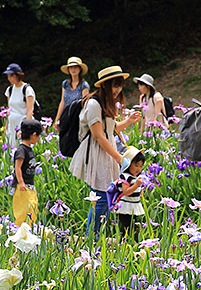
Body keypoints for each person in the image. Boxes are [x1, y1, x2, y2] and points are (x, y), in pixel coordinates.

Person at [68, 65, 142, 236]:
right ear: (105, 85)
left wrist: (128, 122)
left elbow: (110, 128)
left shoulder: (105, 103)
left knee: (105, 198)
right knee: (101, 198)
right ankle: (92, 238)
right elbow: (98, 136)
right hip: (96, 155)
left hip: (106, 155)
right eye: (115, 86)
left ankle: (94, 237)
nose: (118, 90)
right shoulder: (93, 103)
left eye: (120, 85)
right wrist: (119, 158)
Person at [13, 119, 42, 227]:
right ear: (34, 135)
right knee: (24, 210)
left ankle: (31, 229)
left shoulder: (29, 149)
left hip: (30, 186)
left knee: (33, 209)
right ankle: (22, 230)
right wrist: (21, 182)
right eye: (38, 136)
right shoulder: (21, 150)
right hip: (23, 187)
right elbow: (18, 167)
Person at [3, 63, 36, 151]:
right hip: (12, 125)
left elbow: (30, 111)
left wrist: (25, 128)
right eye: (8, 76)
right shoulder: (9, 90)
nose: (10, 79)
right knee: (10, 149)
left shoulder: (27, 89)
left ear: (18, 75)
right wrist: (6, 127)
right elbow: (9, 110)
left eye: (12, 76)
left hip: (22, 124)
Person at [115, 146, 146, 238]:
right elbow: (126, 192)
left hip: (133, 206)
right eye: (136, 165)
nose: (138, 169)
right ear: (128, 164)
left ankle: (129, 241)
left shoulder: (134, 177)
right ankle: (124, 243)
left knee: (132, 226)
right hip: (126, 207)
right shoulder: (125, 176)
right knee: (127, 227)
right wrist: (136, 185)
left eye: (141, 166)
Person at [53, 57, 90, 130]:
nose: (73, 69)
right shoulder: (65, 84)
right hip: (66, 116)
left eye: (76, 67)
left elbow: (85, 104)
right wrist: (57, 119)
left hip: (77, 117)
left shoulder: (84, 85)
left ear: (80, 69)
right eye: (71, 67)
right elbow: (62, 102)